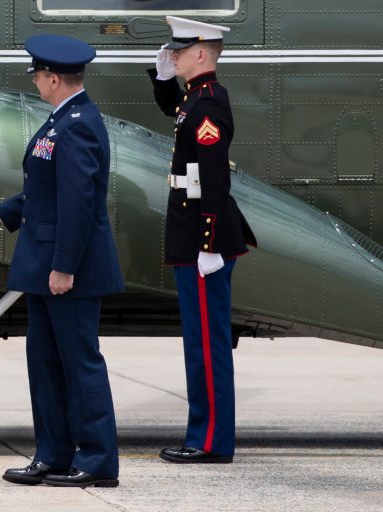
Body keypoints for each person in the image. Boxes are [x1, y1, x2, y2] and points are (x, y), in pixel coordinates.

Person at [0, 34, 123, 488]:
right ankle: (53, 454)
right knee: (45, 366)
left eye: (37, 74)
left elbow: (79, 202)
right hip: (44, 268)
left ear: (51, 78)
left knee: (79, 365)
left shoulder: (79, 123)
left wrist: (64, 266)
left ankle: (97, 460)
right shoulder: (61, 121)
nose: (35, 81)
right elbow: (48, 193)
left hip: (69, 272)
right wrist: (0, 212)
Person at [147, 16, 257, 464]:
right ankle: (203, 434)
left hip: (202, 239)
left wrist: (208, 246)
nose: (172, 55)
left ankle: (210, 441)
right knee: (198, 340)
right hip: (193, 235)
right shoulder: (197, 97)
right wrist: (160, 77)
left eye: (178, 51)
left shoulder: (208, 105)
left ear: (200, 54)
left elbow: (213, 182)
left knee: (207, 345)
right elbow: (173, 110)